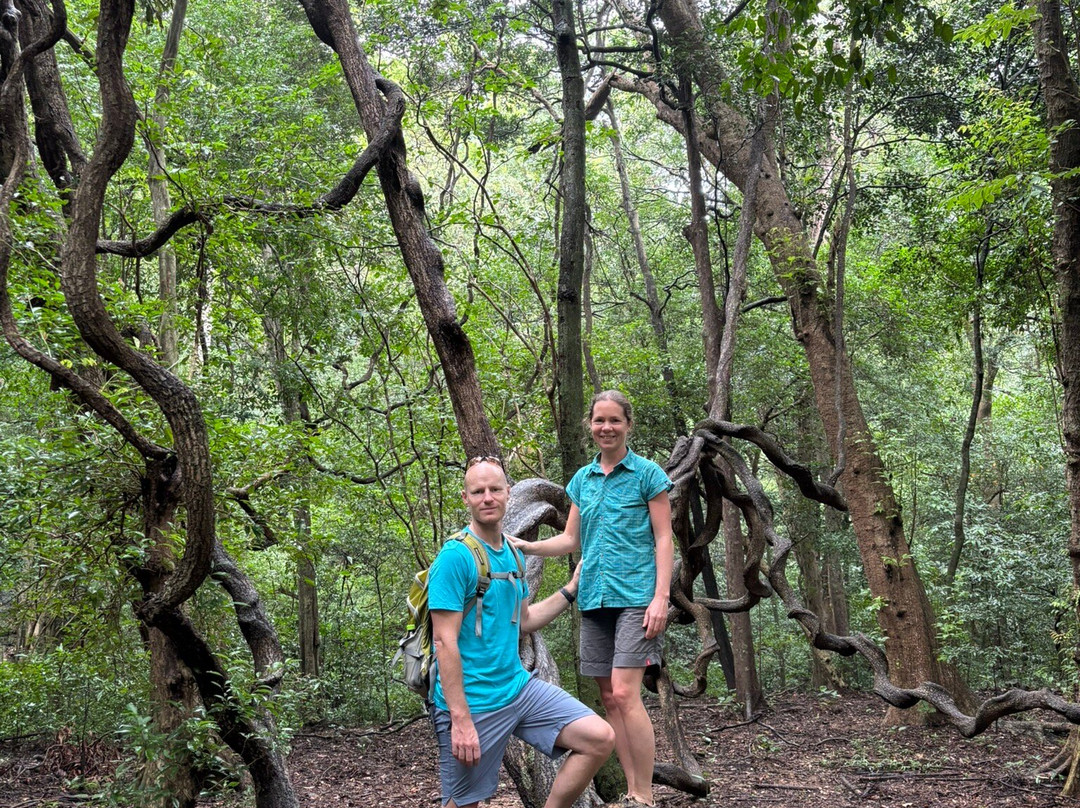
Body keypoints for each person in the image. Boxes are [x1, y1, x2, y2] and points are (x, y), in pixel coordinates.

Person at [512, 391, 674, 808]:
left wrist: (661, 597)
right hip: (594, 599)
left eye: (615, 421)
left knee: (625, 693)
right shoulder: (582, 480)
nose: (606, 428)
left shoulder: (647, 474)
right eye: (599, 420)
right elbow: (571, 540)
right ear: (590, 425)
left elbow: (663, 537)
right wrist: (524, 546)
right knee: (608, 697)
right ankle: (632, 791)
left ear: (627, 425)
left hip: (637, 596)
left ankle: (644, 794)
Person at [428, 455, 616, 808]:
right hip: (474, 703)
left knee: (599, 737)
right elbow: (444, 640)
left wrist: (569, 591)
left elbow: (524, 621)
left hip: (517, 689)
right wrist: (461, 720)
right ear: (466, 498)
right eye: (478, 491)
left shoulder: (512, 554)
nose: (487, 497)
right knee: (464, 803)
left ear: (508, 494)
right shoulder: (455, 557)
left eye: (494, 489)